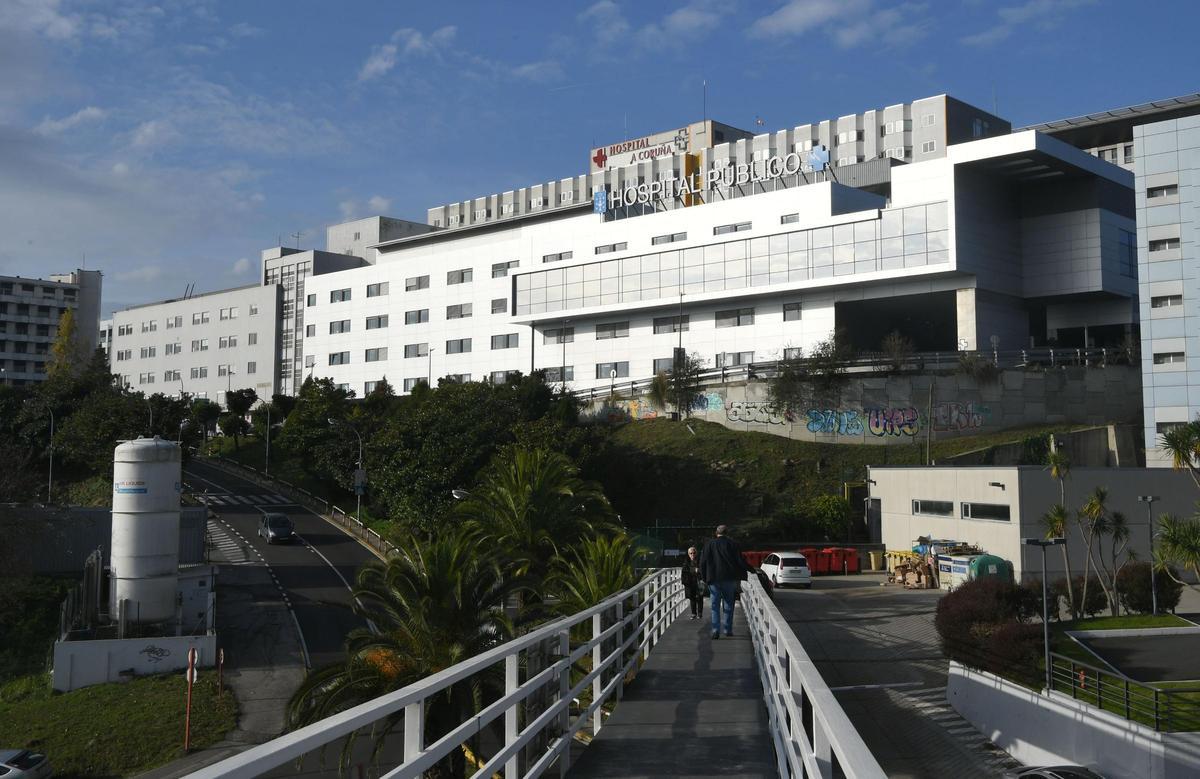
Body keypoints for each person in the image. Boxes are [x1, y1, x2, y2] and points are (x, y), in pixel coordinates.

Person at [698, 524, 752, 639]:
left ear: (716, 533)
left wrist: (703, 577)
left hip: (713, 579)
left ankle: (715, 630)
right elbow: (740, 561)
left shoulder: (709, 545)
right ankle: (727, 629)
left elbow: (702, 562)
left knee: (715, 605)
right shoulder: (733, 544)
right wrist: (751, 570)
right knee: (728, 604)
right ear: (727, 533)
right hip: (729, 578)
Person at [680, 546, 704, 620]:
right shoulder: (686, 562)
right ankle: (693, 613)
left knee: (700, 597)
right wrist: (694, 570)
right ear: (688, 554)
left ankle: (700, 613)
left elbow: (703, 570)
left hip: (699, 581)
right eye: (691, 553)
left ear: (696, 553)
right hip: (690, 582)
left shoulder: (700, 561)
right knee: (692, 598)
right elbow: (684, 572)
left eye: (694, 553)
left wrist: (698, 571)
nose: (692, 554)